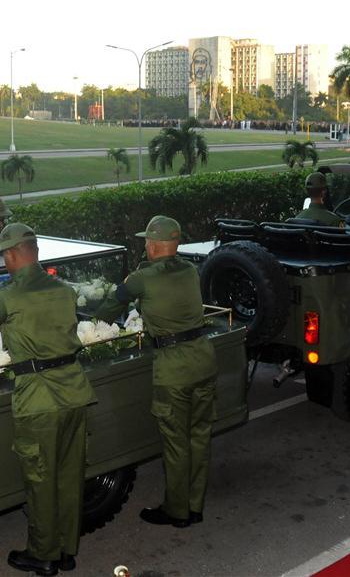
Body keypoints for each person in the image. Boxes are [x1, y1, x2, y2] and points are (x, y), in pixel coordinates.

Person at [0, 223, 94, 576]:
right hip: (75, 391)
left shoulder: (5, 296)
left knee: (40, 478)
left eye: (5, 257)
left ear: (11, 255)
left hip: (38, 398)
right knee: (70, 475)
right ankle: (67, 550)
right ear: (36, 251)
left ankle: (42, 554)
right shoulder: (64, 289)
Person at [95, 215, 218, 529]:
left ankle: (177, 512)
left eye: (146, 241)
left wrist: (91, 323)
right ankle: (195, 505)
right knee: (199, 438)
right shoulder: (190, 270)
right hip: (203, 359)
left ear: (152, 244)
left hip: (174, 367)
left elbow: (111, 307)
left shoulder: (142, 277)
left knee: (176, 442)